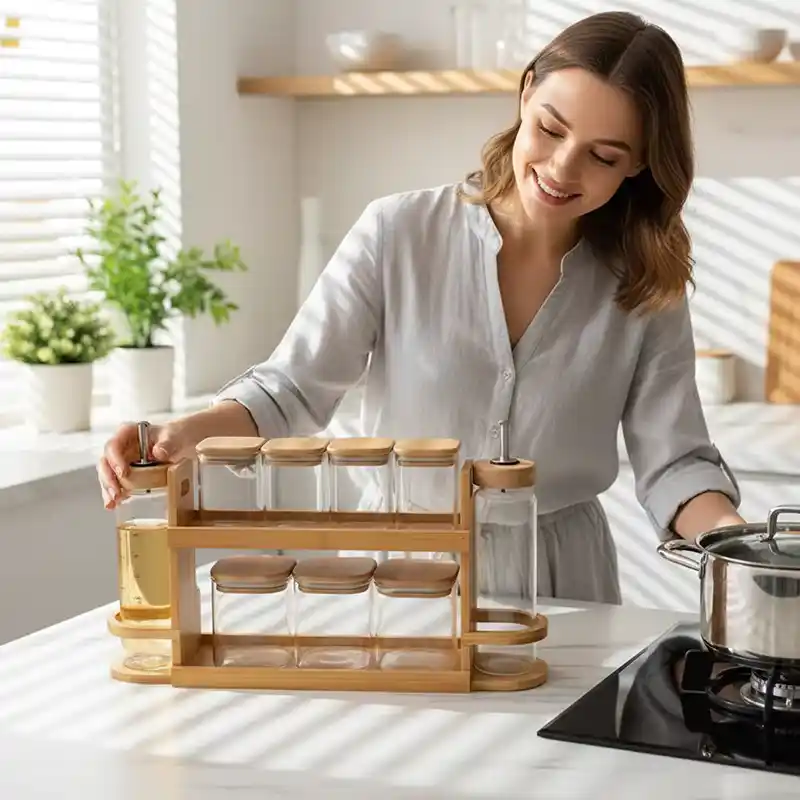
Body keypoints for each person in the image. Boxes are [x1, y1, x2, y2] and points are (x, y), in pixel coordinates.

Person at [97, 10, 744, 605]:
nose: (561, 166)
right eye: (550, 127)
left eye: (604, 156)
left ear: (637, 167)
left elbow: (675, 462)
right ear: (525, 95)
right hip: (399, 571)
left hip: (564, 580)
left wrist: (741, 547)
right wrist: (185, 433)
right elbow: (294, 386)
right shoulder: (397, 232)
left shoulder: (642, 283)